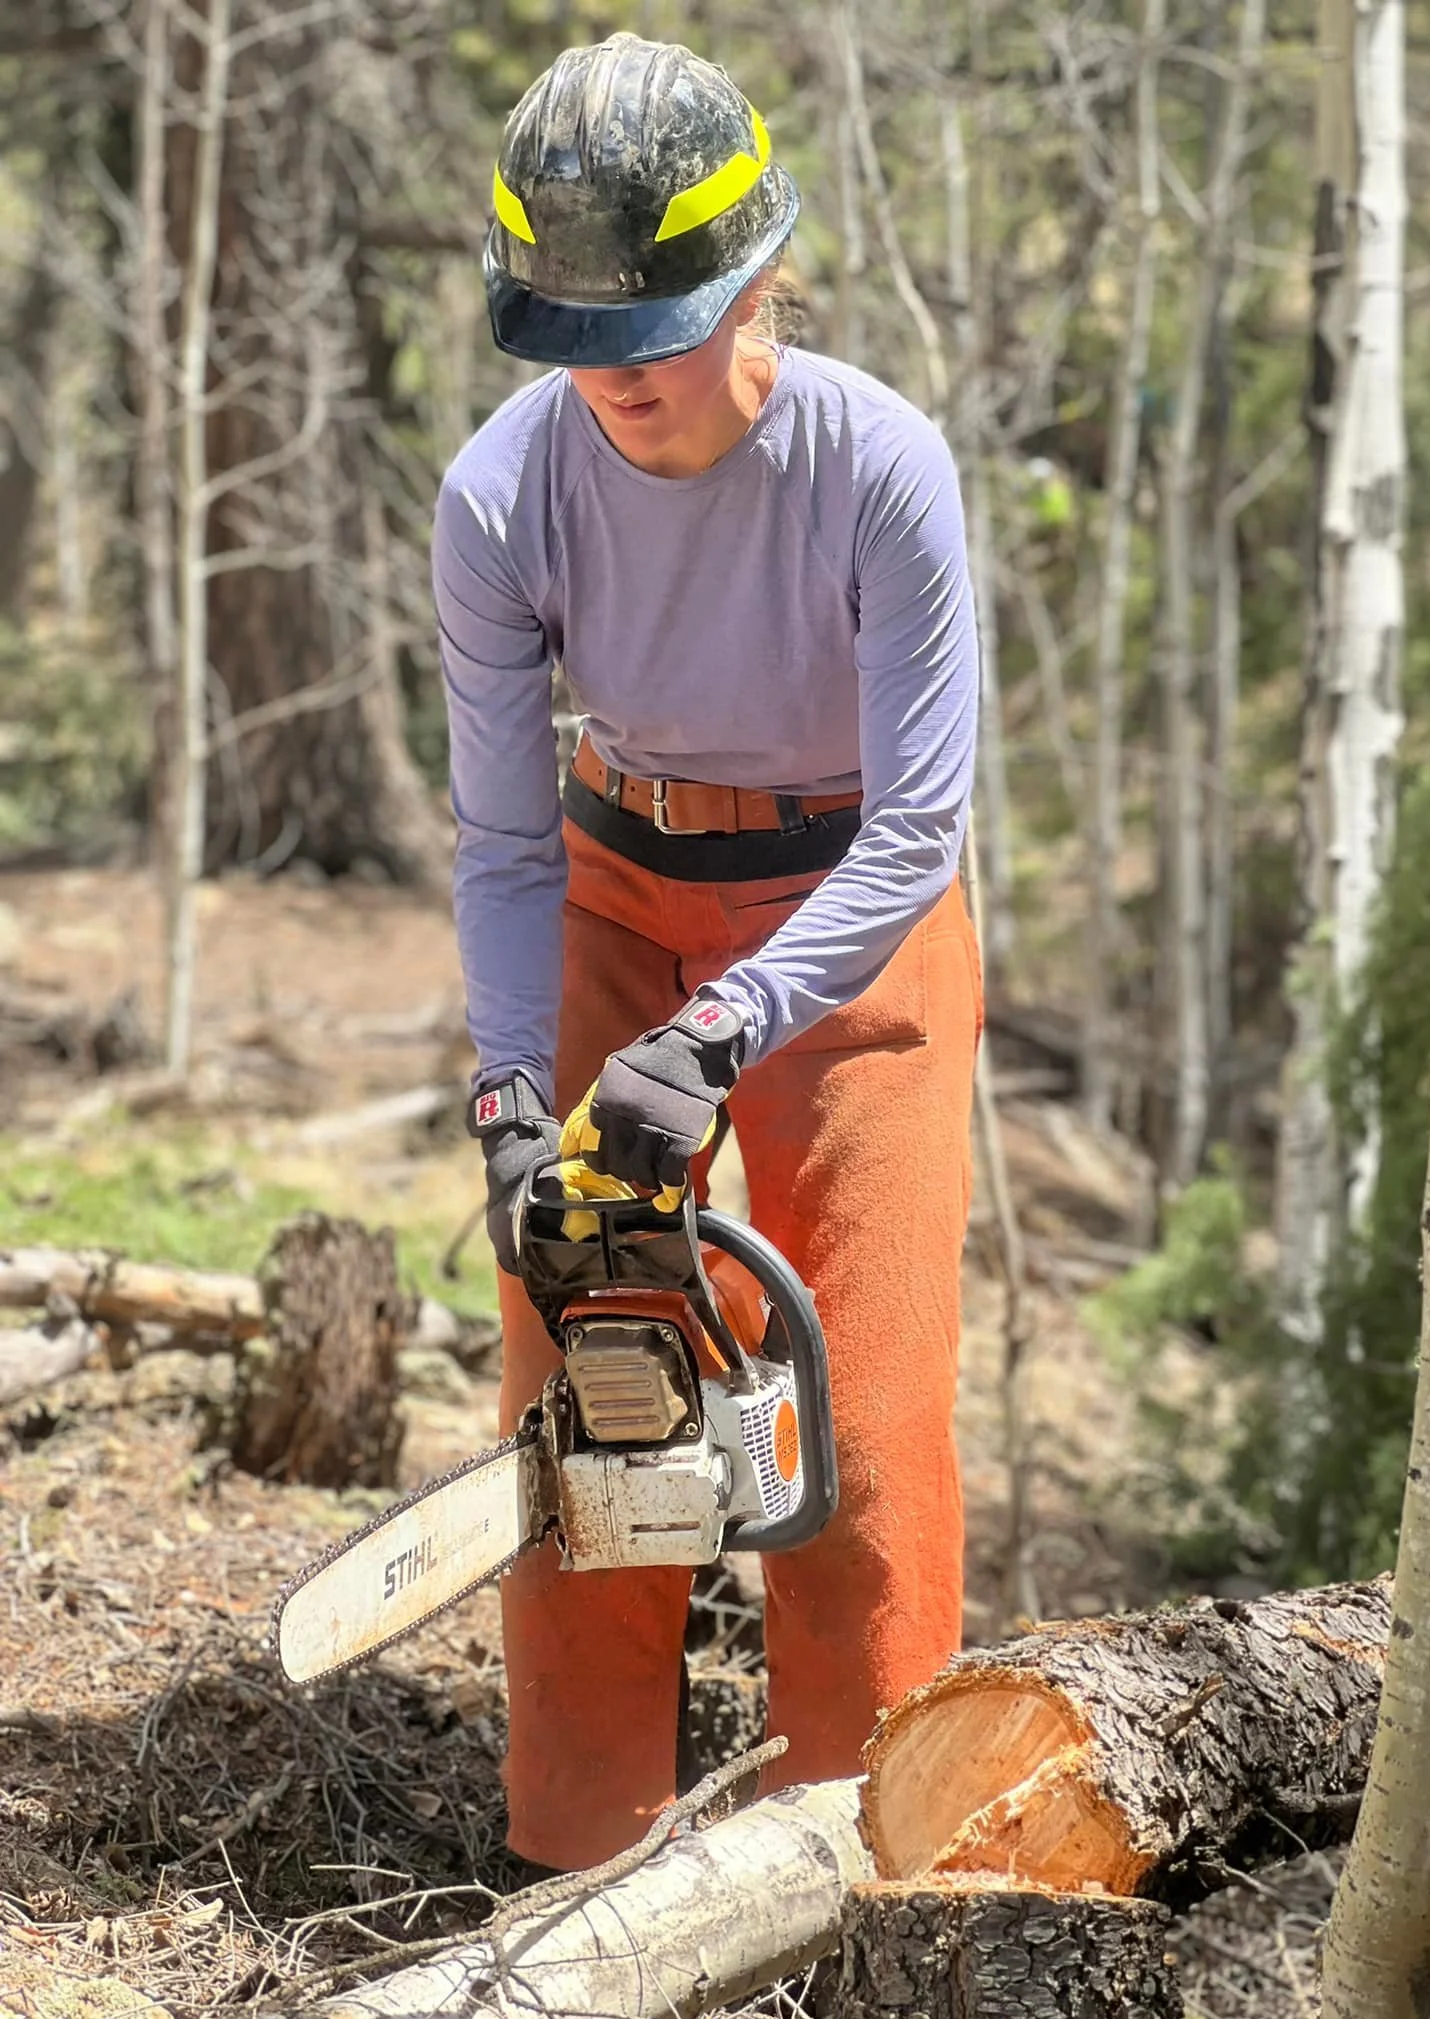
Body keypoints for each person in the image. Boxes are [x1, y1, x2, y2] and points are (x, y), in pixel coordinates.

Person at [434, 30, 982, 1875]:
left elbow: (918, 828)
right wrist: (516, 1093)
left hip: (854, 911)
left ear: (758, 288)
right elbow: (506, 842)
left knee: (867, 1409)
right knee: (589, 1357)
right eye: (573, 337)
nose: (613, 379)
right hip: (616, 879)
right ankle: (575, 1860)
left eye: (652, 335)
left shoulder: (879, 468)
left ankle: (859, 1860)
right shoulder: (502, 495)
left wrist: (723, 1030)